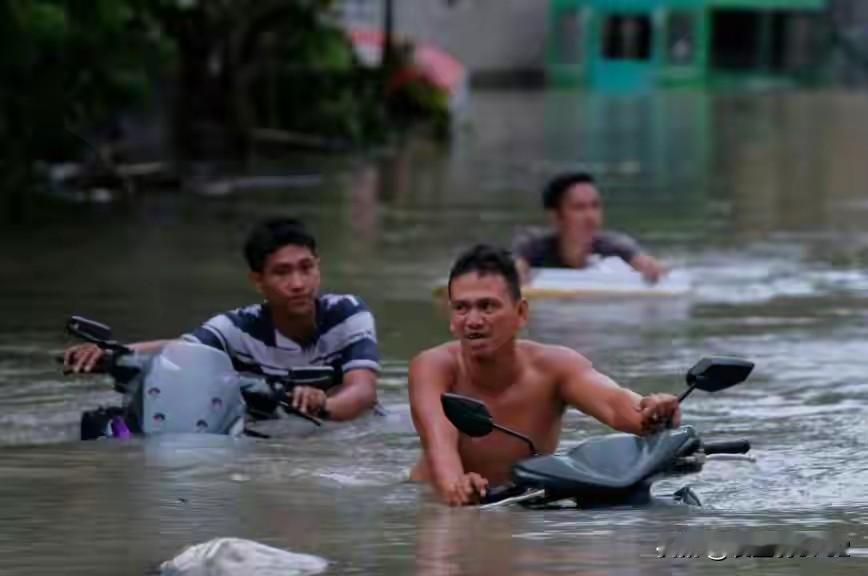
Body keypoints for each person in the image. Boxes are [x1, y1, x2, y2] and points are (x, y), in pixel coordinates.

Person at [408, 244, 680, 506]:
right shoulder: (432, 367)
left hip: (521, 500)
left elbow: (616, 404)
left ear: (521, 313)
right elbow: (439, 447)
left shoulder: (556, 367)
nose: (474, 320)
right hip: (434, 501)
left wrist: (655, 412)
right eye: (461, 308)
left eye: (487, 306)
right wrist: (457, 486)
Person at [64, 218, 378, 421]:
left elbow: (362, 393)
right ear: (258, 281)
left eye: (306, 268)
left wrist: (322, 403)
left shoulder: (347, 313)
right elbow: (181, 350)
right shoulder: (239, 327)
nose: (298, 283)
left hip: (342, 438)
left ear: (318, 267)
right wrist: (111, 355)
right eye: (282, 272)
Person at [513, 172, 665, 284]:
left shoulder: (615, 247)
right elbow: (513, 270)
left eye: (595, 206)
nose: (591, 217)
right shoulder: (533, 249)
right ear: (556, 217)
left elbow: (644, 263)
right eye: (579, 208)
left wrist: (651, 267)